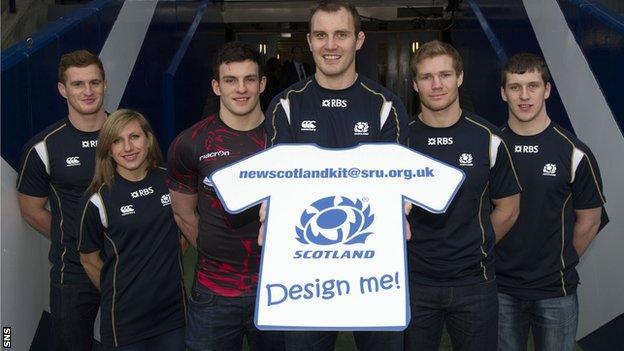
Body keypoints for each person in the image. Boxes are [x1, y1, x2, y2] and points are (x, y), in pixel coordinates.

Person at [265, 1, 409, 350]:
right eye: (321, 35)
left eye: (341, 34)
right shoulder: (285, 106)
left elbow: (396, 184)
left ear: (359, 40)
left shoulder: (386, 105)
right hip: (305, 275)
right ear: (310, 41)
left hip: (374, 269)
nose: (331, 45)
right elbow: (279, 184)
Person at [404, 40, 521, 351]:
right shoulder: (400, 140)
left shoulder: (489, 138)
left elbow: (508, 208)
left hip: (474, 283)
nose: (436, 84)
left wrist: (474, 245)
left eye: (444, 74)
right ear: (415, 84)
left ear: (460, 77)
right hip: (414, 282)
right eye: (426, 77)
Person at [167, 41, 282, 351]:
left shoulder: (285, 140)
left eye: (249, 79)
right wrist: (212, 251)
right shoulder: (191, 143)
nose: (240, 89)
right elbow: (182, 213)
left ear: (262, 84)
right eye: (230, 80)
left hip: (277, 289)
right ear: (216, 86)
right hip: (214, 291)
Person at [495, 53, 608, 351]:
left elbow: (591, 220)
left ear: (547, 90)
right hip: (498, 289)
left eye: (532, 86)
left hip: (555, 292)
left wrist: (556, 264)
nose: (524, 96)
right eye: (515, 87)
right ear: (503, 92)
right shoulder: (488, 148)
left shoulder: (574, 152)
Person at [16, 49, 105, 350]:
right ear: (62, 89)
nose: (88, 91)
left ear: (105, 84)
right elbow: (31, 210)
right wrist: (77, 239)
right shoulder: (43, 147)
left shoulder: (132, 135)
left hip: (130, 268)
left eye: (94, 82)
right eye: (78, 84)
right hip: (73, 274)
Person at [78, 109, 186, 350]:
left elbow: (185, 228)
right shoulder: (97, 199)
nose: (128, 147)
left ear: (147, 139)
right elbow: (88, 259)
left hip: (172, 315)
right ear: (108, 149)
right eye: (117, 140)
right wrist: (120, 291)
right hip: (125, 320)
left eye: (134, 137)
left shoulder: (171, 180)